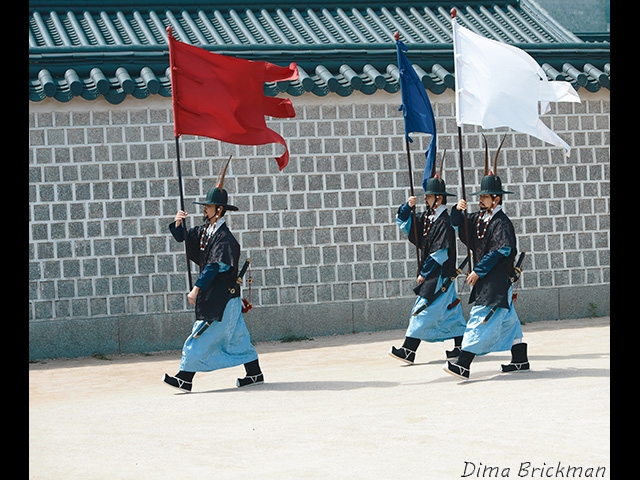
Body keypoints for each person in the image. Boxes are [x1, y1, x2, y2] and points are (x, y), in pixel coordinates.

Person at [162, 164, 263, 392]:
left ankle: (184, 378)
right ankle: (255, 374)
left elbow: (213, 267)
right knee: (238, 339)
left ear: (218, 209)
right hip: (224, 299)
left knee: (201, 336)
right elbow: (185, 239)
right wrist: (178, 223)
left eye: (208, 206)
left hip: (221, 299)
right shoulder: (206, 231)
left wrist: (196, 289)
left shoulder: (224, 239)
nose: (205, 210)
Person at [444, 162, 529, 380]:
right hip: (491, 280)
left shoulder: (501, 222)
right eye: (480, 196)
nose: (481, 200)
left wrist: (478, 271)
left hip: (496, 280)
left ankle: (463, 364)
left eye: (485, 196)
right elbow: (458, 224)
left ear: (497, 199)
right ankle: (520, 359)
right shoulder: (480, 218)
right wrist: (457, 210)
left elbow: (503, 250)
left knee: (480, 318)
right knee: (509, 320)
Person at [389, 171, 467, 365]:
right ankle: (461, 347)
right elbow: (404, 224)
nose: (426, 199)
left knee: (422, 309)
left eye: (429, 196)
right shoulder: (426, 218)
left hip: (438, 274)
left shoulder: (444, 221)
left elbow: (439, 253)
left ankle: (409, 350)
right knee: (451, 313)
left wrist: (424, 273)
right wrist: (407, 207)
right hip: (438, 274)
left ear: (438, 199)